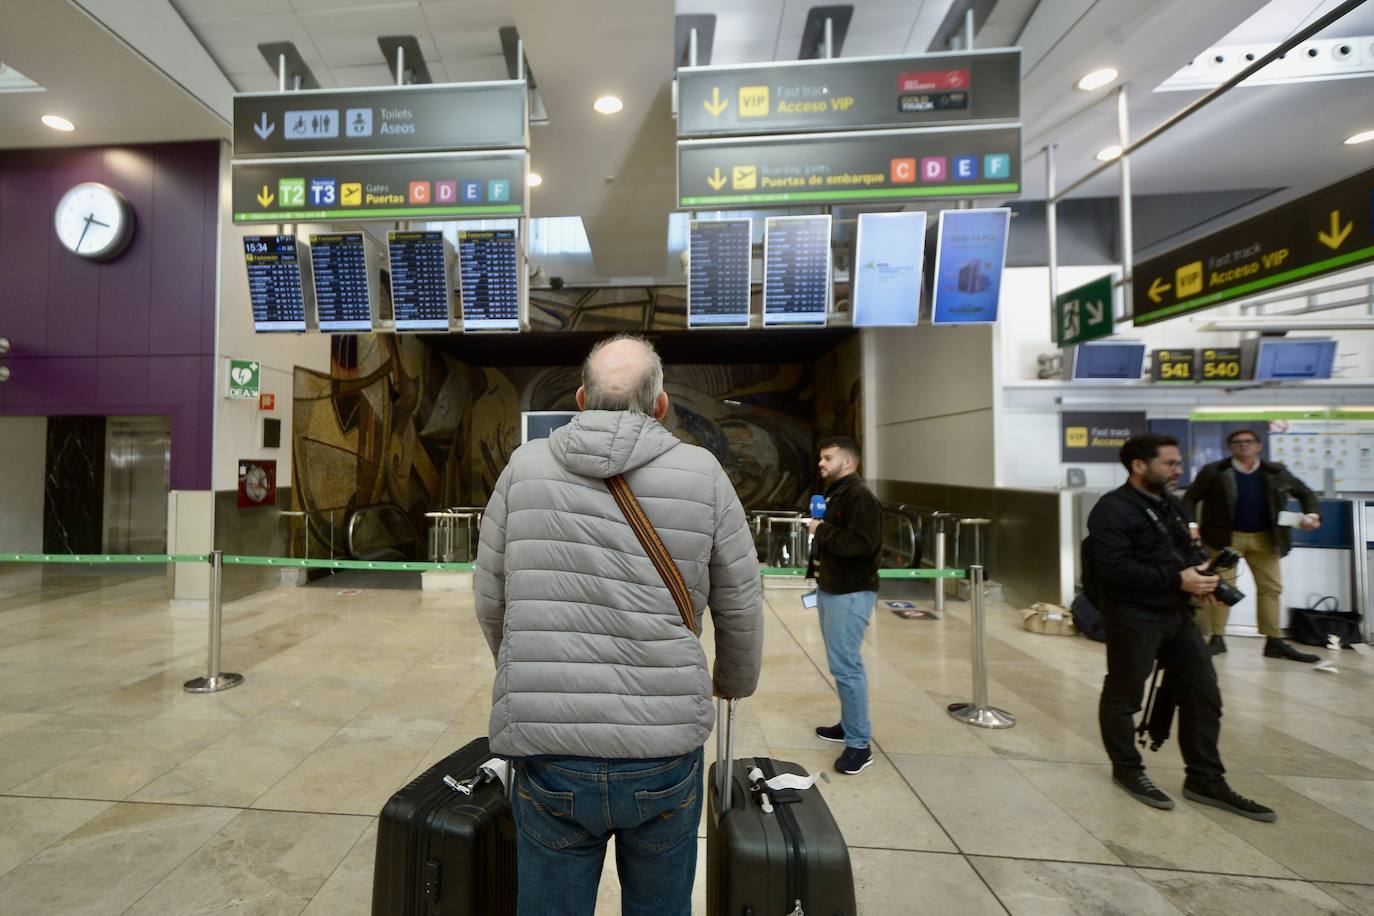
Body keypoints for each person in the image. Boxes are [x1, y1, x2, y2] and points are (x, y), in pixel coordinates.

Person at [475, 334, 764, 916]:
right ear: (660, 405)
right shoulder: (703, 473)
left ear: (580, 399)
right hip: (662, 746)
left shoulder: (524, 467)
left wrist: (532, 669)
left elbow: (490, 597)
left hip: (549, 748)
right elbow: (741, 603)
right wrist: (733, 680)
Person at [1088, 434, 1275, 822]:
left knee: (1204, 694)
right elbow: (1114, 569)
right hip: (1133, 616)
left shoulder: (1171, 504)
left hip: (1178, 616)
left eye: (1177, 464)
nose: (1178, 470)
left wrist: (1202, 580)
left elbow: (1187, 552)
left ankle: (1205, 779)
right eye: (1170, 463)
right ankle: (1128, 769)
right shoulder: (1112, 509)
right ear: (1140, 465)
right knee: (1125, 696)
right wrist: (1177, 581)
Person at [1181, 429, 1322, 662]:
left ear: (1259, 446)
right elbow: (1190, 498)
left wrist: (1313, 515)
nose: (1243, 446)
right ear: (1230, 448)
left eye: (1248, 442)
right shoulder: (1215, 471)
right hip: (1226, 538)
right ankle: (1217, 638)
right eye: (1237, 442)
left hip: (1265, 537)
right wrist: (1192, 524)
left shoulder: (1276, 472)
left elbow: (1306, 493)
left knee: (1271, 589)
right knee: (1221, 588)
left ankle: (1274, 640)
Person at [805, 435, 883, 776]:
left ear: (847, 462)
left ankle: (859, 744)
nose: (821, 463)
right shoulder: (839, 493)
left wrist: (820, 530)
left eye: (827, 458)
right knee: (839, 664)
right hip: (832, 588)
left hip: (850, 593)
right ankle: (848, 725)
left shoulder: (860, 497)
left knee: (847, 666)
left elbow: (862, 545)